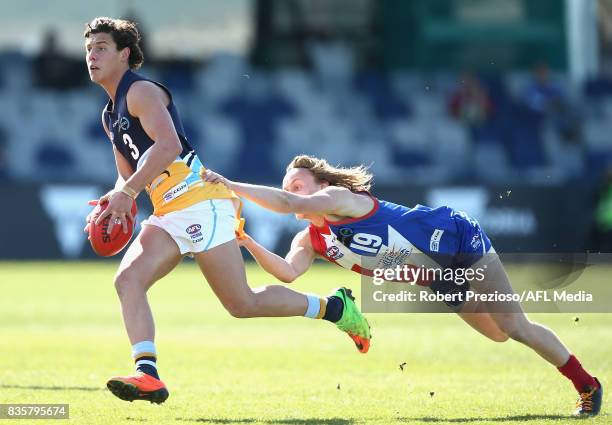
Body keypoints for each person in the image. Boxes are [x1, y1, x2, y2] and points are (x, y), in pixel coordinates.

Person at [83, 17, 371, 405]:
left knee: (242, 303)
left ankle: (335, 307)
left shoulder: (141, 92)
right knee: (128, 280)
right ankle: (146, 372)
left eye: (101, 47)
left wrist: (130, 192)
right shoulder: (109, 115)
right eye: (89, 49)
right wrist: (112, 198)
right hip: (169, 211)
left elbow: (167, 146)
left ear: (125, 54)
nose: (92, 55)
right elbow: (127, 175)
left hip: (201, 201)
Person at [203, 154, 603, 417]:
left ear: (319, 184)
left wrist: (230, 185)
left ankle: (587, 384)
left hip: (458, 240)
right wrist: (246, 241)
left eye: (297, 185)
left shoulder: (339, 198)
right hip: (435, 276)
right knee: (499, 336)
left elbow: (291, 206)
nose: (291, 193)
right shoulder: (310, 239)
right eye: (287, 186)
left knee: (514, 326)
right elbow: (289, 273)